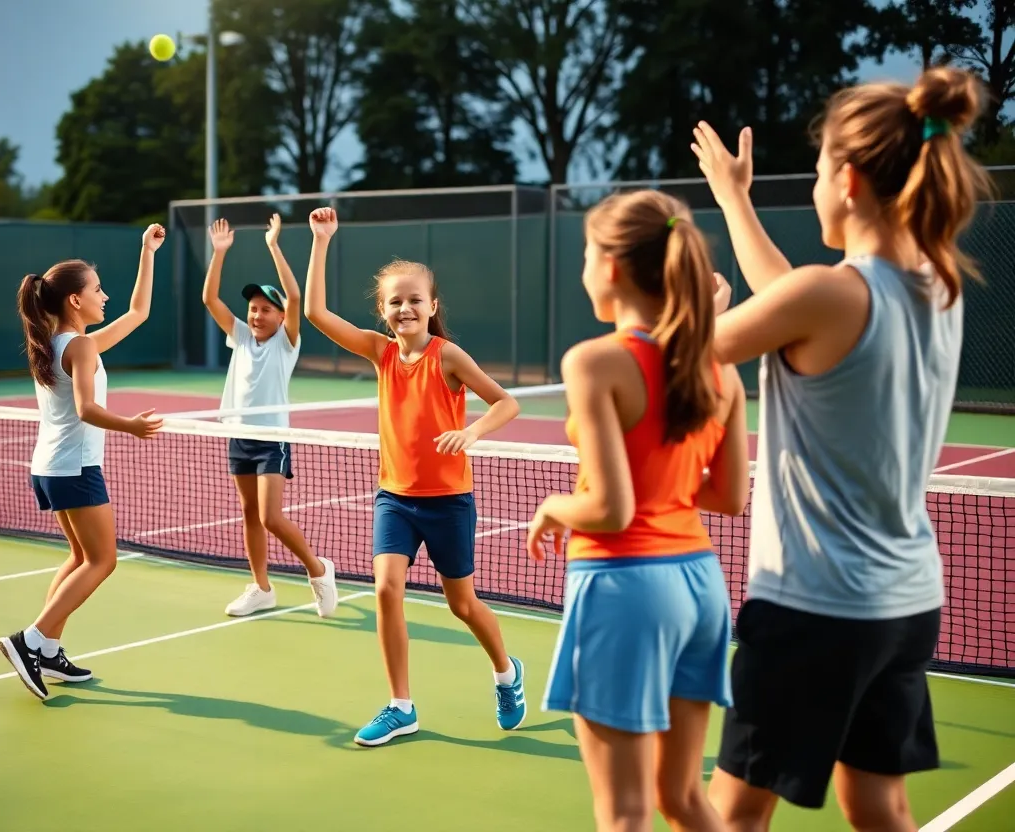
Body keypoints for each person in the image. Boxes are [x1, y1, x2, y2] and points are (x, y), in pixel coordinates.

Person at [690, 66, 993, 830]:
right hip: (904, 604)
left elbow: (688, 354)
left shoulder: (829, 296)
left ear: (849, 179)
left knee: (732, 816)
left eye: (820, 170)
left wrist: (693, 305)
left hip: (812, 608)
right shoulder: (934, 283)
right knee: (878, 804)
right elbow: (792, 301)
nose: (817, 186)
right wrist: (734, 198)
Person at [525, 191, 749, 832]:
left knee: (624, 813)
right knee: (681, 798)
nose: (584, 269)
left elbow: (611, 508)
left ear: (615, 266)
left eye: (587, 254)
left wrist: (552, 505)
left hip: (625, 589)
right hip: (701, 588)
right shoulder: (721, 370)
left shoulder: (594, 362)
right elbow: (729, 497)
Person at [302, 206, 527, 747]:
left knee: (462, 604)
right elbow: (313, 312)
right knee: (386, 588)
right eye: (395, 301)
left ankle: (506, 673)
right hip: (395, 499)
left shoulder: (447, 356)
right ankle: (401, 706)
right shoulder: (380, 353)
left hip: (448, 502)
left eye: (415, 299)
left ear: (432, 307)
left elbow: (506, 402)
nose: (406, 307)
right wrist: (321, 241)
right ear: (383, 311)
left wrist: (470, 433)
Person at [0, 224, 167, 701]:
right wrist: (131, 425)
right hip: (75, 468)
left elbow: (138, 311)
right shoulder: (80, 346)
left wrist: (147, 252)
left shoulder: (59, 344)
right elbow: (89, 410)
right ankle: (30, 640)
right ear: (75, 300)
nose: (104, 295)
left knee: (78, 557)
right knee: (102, 559)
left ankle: (48, 647)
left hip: (50, 467)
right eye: (96, 289)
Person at [201, 213, 339, 618]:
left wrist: (274, 246)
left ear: (280, 318)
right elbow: (210, 299)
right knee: (249, 514)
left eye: (265, 309)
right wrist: (219, 253)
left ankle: (318, 570)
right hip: (238, 434)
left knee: (271, 516)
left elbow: (296, 298)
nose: (257, 315)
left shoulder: (286, 342)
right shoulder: (240, 336)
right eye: (253, 308)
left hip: (271, 438)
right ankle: (261, 587)